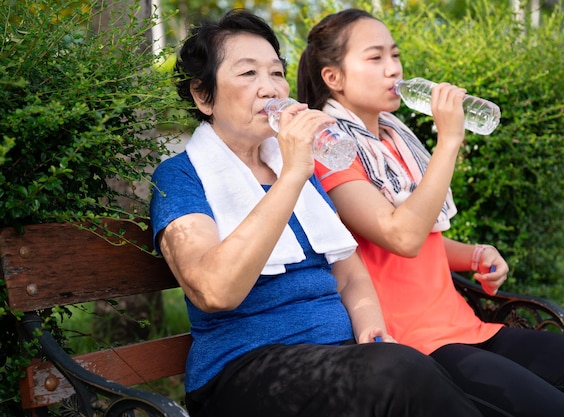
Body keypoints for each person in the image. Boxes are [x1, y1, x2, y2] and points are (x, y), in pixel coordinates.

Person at [149, 9, 486, 417]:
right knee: (401, 375)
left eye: (276, 73)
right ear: (203, 96)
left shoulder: (293, 167)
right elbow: (216, 291)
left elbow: (350, 273)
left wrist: (369, 328)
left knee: (420, 371)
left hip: (338, 356)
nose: (269, 88)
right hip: (243, 370)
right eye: (248, 74)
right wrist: (292, 176)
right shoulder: (181, 176)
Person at [297, 8, 564, 417]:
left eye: (395, 56)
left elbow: (425, 238)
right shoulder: (330, 150)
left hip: (468, 328)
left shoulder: (395, 137)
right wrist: (449, 141)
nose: (393, 69)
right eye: (376, 58)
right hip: (421, 351)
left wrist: (472, 254)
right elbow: (400, 236)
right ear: (334, 77)